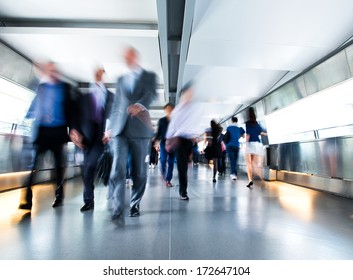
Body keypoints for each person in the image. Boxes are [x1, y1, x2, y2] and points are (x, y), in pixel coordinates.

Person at [103, 46, 157, 222]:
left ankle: (135, 203)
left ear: (136, 56)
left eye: (129, 55)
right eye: (124, 56)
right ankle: (118, 209)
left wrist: (139, 105)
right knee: (117, 167)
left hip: (140, 130)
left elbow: (150, 95)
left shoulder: (149, 76)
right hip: (120, 130)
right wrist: (109, 127)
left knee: (139, 171)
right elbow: (117, 105)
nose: (126, 58)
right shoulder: (120, 79)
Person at [18, 62, 76, 210]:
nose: (51, 73)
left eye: (53, 70)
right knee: (34, 166)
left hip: (58, 132)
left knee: (58, 167)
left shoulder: (65, 88)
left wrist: (73, 130)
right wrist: (29, 115)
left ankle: (59, 196)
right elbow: (34, 106)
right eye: (48, 70)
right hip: (42, 132)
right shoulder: (42, 88)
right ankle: (27, 199)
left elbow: (71, 111)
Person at [70, 66, 113, 211]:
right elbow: (74, 117)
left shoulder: (111, 97)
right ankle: (89, 196)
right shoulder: (83, 98)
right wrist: (74, 130)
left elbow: (115, 115)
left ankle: (88, 200)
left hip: (100, 139)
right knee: (85, 170)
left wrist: (110, 130)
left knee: (89, 167)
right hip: (83, 139)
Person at [165, 81, 203, 200]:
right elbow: (172, 126)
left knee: (185, 166)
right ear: (183, 95)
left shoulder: (194, 109)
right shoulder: (178, 110)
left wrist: (196, 135)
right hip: (179, 140)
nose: (190, 96)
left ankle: (183, 189)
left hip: (189, 141)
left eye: (191, 94)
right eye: (188, 93)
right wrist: (168, 141)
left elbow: (197, 123)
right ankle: (183, 191)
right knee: (183, 167)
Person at [245, 107, 267, 189]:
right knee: (255, 164)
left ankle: (250, 180)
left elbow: (248, 134)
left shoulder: (247, 123)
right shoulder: (256, 123)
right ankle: (262, 179)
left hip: (250, 143)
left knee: (249, 164)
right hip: (257, 144)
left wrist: (246, 144)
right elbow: (260, 132)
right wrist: (267, 134)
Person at [155, 103, 175, 187]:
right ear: (165, 111)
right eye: (167, 110)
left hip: (173, 143)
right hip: (163, 143)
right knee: (163, 160)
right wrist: (156, 142)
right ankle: (163, 173)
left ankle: (168, 180)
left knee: (171, 162)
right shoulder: (162, 120)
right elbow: (158, 132)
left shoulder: (176, 120)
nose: (169, 111)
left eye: (171, 109)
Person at [225, 116, 245, 181]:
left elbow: (227, 136)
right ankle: (234, 173)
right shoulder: (239, 129)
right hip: (236, 146)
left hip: (229, 146)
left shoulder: (229, 128)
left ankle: (233, 173)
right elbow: (243, 136)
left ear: (232, 121)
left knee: (232, 160)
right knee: (235, 160)